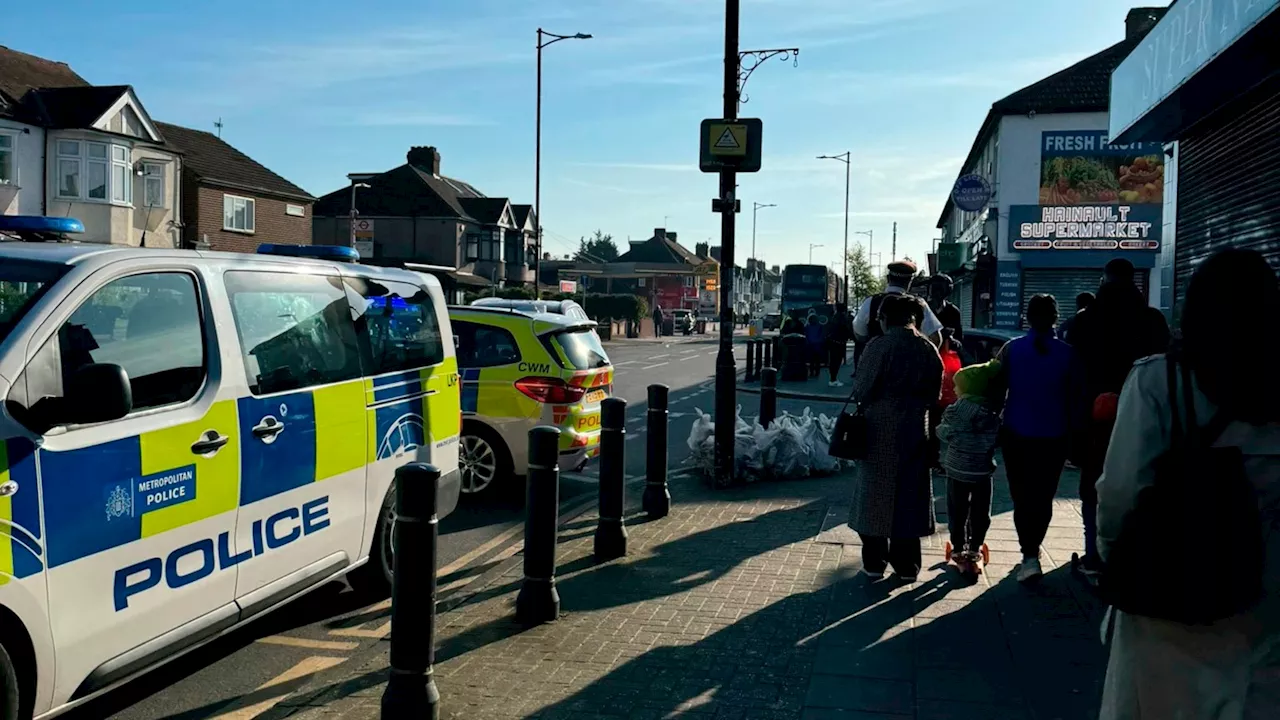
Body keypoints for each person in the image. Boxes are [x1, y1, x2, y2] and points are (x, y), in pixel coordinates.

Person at [1096, 249, 1280, 719]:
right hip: (1263, 598)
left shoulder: (1161, 382)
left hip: (1170, 587)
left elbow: (1120, 493)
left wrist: (1117, 557)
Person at [1067, 258, 1169, 578]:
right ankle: (1137, 553)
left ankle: (1094, 554)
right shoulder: (1152, 319)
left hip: (1094, 417)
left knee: (1094, 483)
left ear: (1104, 280)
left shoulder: (1086, 320)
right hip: (1145, 414)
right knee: (1145, 480)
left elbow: (1072, 373)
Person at [846, 294, 943, 582]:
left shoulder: (879, 346)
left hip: (878, 431)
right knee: (909, 497)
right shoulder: (927, 348)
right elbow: (934, 395)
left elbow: (862, 389)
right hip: (915, 430)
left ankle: (875, 563)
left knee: (874, 496)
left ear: (885, 319)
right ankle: (907, 566)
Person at [996, 294, 1086, 583]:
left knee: (1022, 496)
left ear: (1027, 317)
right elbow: (1076, 399)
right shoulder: (1069, 354)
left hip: (1016, 434)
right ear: (1055, 317)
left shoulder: (1011, 350)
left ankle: (1029, 555)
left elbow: (995, 391)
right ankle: (1032, 553)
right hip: (1054, 436)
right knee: (1043, 496)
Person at [936, 359, 1003, 576]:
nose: (954, 389)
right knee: (981, 511)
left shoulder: (954, 411)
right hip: (982, 471)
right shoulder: (992, 414)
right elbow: (996, 440)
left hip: (957, 470)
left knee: (957, 509)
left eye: (957, 385)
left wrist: (939, 431)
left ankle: (957, 546)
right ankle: (975, 548)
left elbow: (947, 433)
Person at [852, 260, 944, 369]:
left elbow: (859, 333)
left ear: (888, 278)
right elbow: (936, 338)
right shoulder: (918, 304)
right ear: (910, 281)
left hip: (876, 369)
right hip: (908, 370)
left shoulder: (871, 302)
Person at [928, 273, 964, 343]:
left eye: (940, 288)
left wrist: (952, 340)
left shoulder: (953, 312)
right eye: (934, 288)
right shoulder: (922, 308)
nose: (937, 292)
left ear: (947, 290)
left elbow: (959, 339)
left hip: (944, 352)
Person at [826, 305, 851, 388]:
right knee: (837, 361)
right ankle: (833, 379)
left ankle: (833, 379)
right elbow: (846, 329)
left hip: (833, 342)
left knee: (833, 361)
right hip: (839, 342)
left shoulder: (834, 317)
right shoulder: (842, 318)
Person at [804, 312, 825, 378]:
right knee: (814, 360)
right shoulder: (809, 327)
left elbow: (821, 335)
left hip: (814, 344)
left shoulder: (809, 327)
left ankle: (814, 372)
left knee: (814, 360)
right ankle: (814, 372)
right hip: (814, 344)